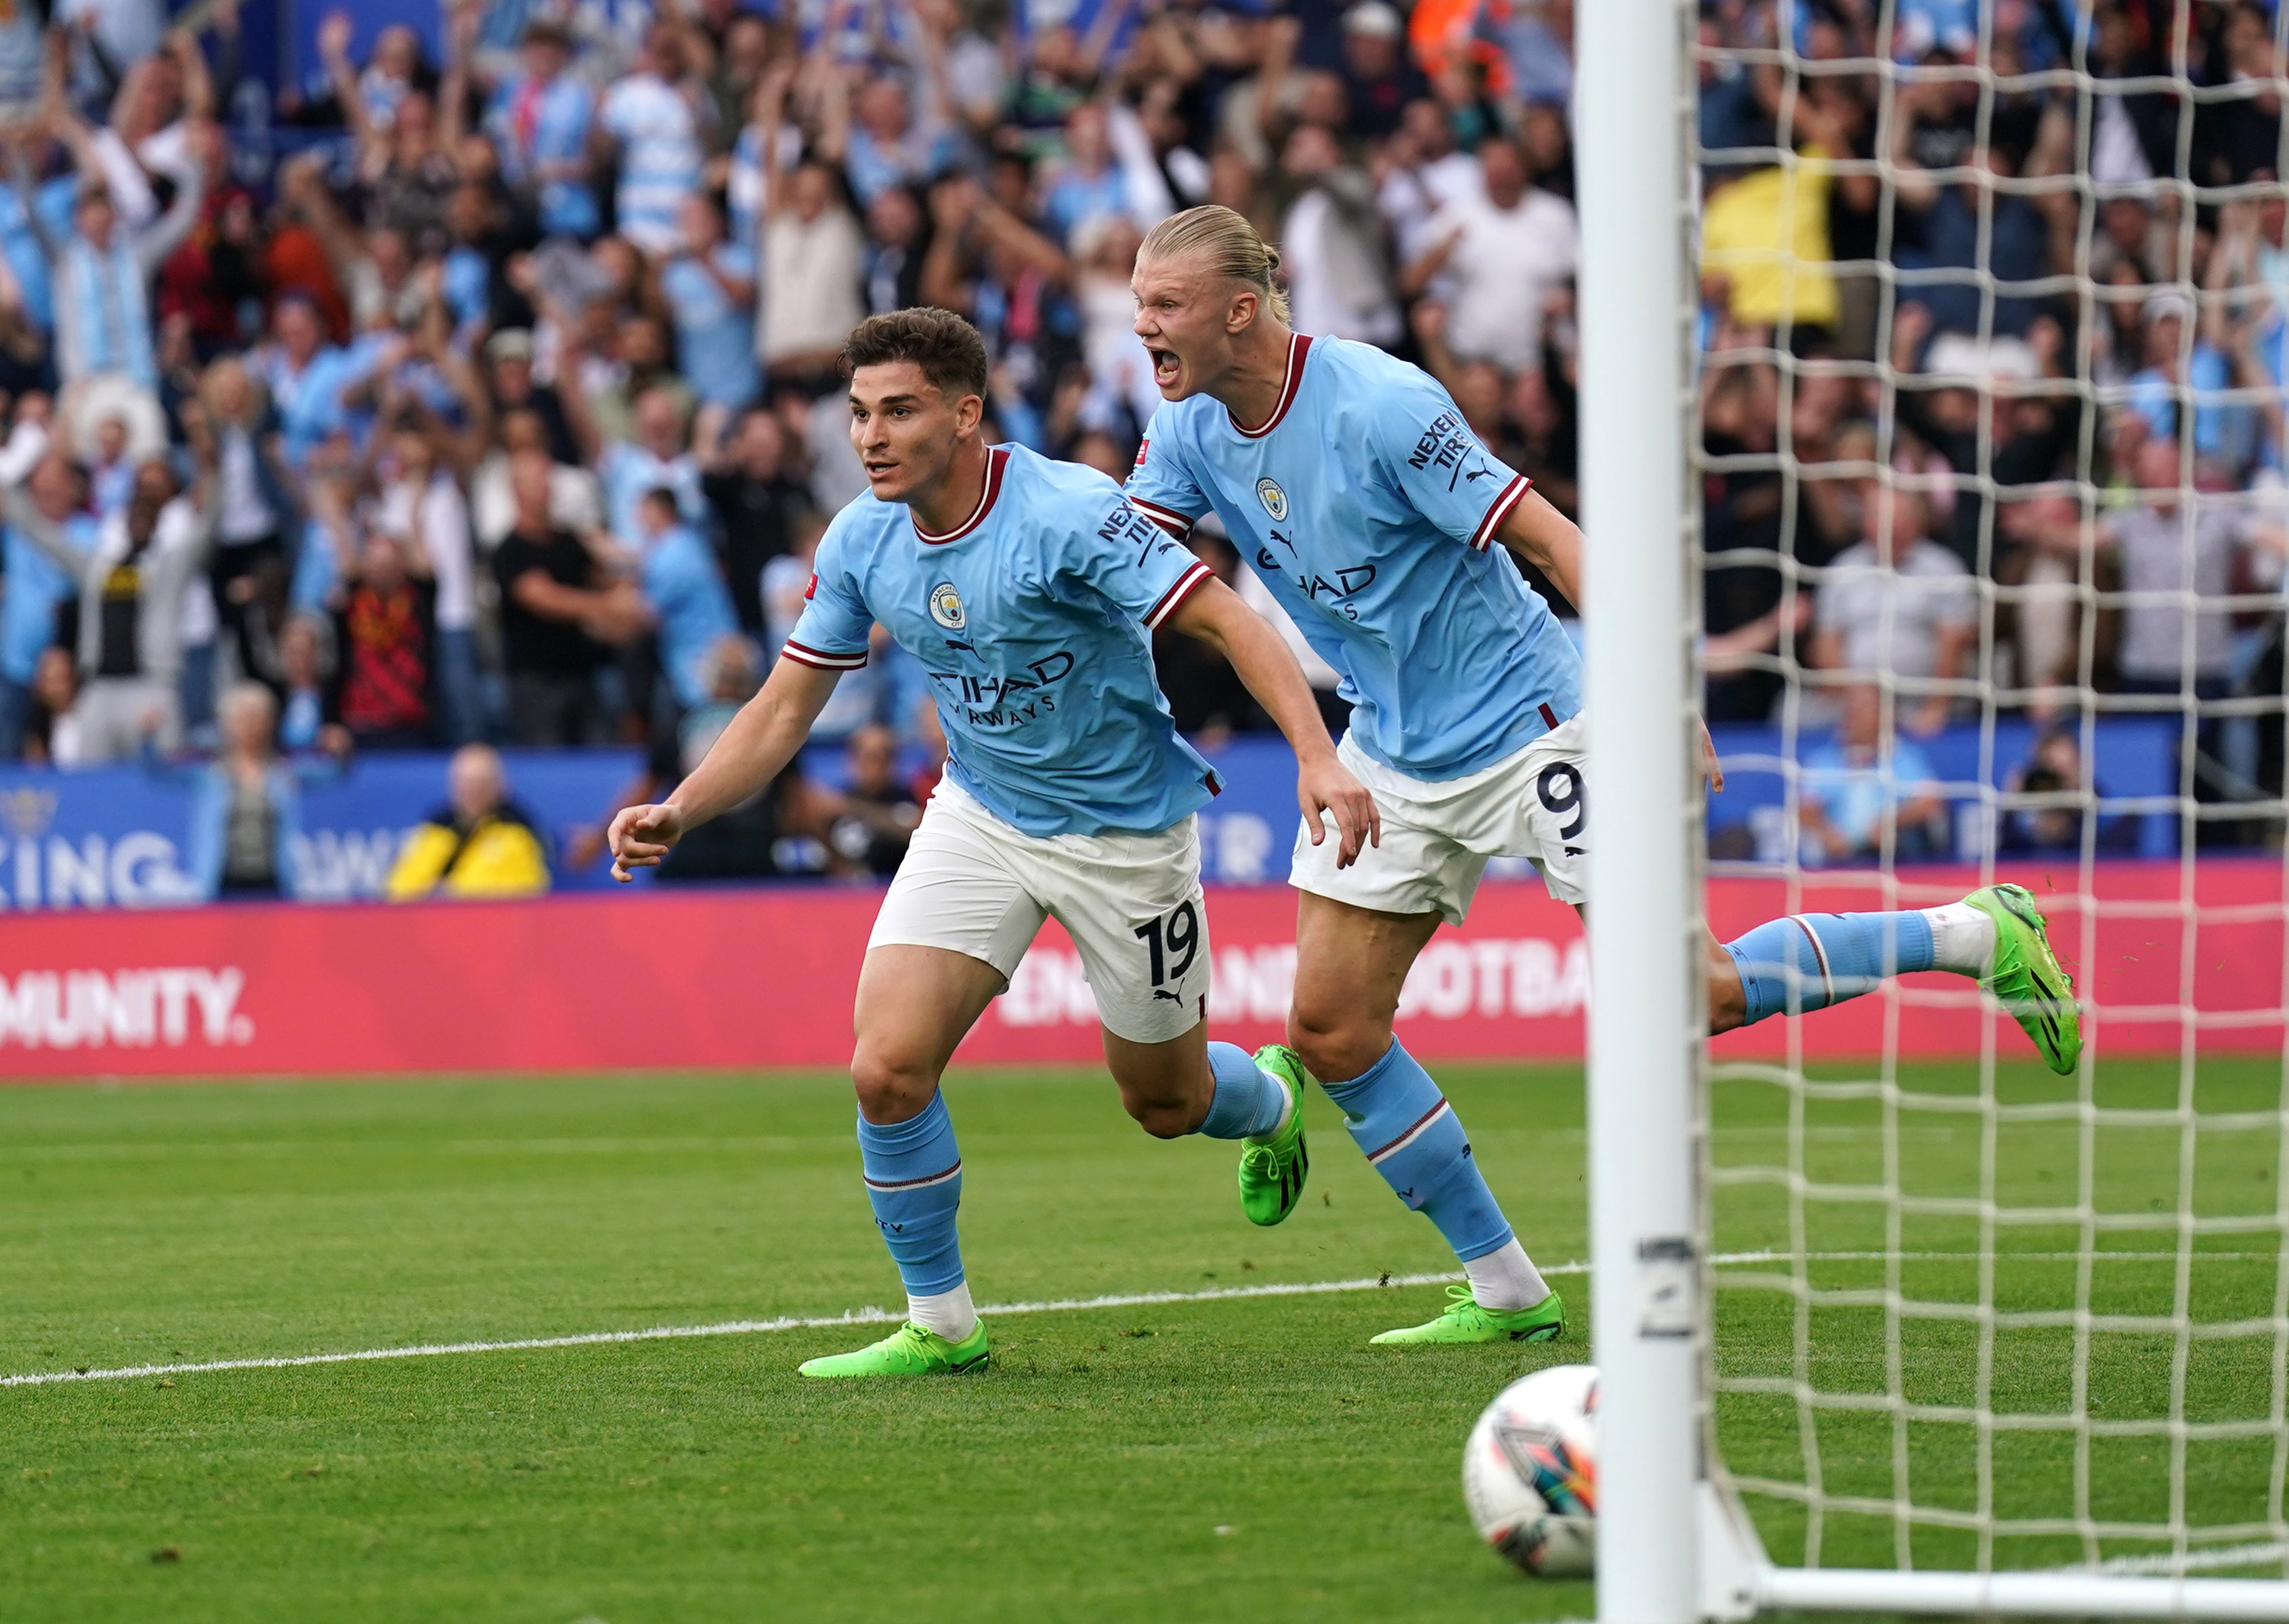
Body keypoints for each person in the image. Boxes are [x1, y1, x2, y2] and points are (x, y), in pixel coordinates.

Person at [1122, 205, 2084, 1344]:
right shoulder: (1184, 429)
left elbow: (1553, 541)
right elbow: (1130, 569)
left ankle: (1977, 931)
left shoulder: (1381, 403)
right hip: (1391, 740)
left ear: (1241, 310)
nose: (1143, 328)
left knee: (1698, 992)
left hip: (1542, 723)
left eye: (1163, 305)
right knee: (1330, 1029)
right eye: (1140, 306)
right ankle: (1508, 1289)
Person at [607, 308, 1376, 1380]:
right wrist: (682, 807)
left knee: (1166, 1102)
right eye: (859, 414)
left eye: (900, 411)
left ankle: (1275, 1101)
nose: (870, 437)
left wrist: (1315, 755)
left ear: (967, 416)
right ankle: (943, 1321)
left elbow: (1228, 623)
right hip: (981, 814)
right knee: (886, 1067)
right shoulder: (860, 538)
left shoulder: (1071, 512)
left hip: (1124, 833)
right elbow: (784, 709)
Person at [385, 742, 552, 899]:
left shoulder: (517, 830)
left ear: (499, 785)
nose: (471, 791)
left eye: (479, 783)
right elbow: (399, 886)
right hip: (433, 923)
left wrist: (457, 893)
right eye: (464, 782)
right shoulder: (436, 828)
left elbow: (528, 889)